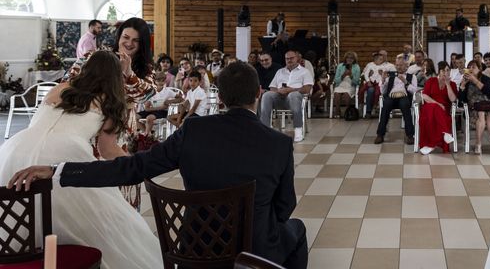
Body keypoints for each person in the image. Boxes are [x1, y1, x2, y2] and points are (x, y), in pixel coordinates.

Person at [9, 62, 308, 269]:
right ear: (258, 94)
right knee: (296, 230)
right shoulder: (278, 144)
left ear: (222, 98)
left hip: (196, 249)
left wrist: (59, 170)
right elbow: (284, 207)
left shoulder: (194, 131)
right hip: (254, 253)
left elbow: (132, 168)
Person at [0, 51, 162, 269]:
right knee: (98, 218)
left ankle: (24, 252)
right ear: (115, 76)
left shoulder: (60, 88)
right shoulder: (111, 100)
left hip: (18, 148)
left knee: (22, 205)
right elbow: (108, 150)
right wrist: (135, 165)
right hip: (65, 153)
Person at [112, 17, 156, 208]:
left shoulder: (146, 69)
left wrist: (128, 71)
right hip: (95, 124)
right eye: (125, 37)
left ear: (142, 44)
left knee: (124, 184)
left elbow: (145, 95)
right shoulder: (100, 57)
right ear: (119, 36)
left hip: (124, 127)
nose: (128, 43)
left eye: (135, 40)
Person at [260, 50, 313, 142]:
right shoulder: (280, 71)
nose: (289, 60)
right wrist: (279, 91)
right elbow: (272, 87)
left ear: (297, 58)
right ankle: (265, 129)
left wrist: (291, 90)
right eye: (287, 59)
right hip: (280, 98)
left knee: (294, 95)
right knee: (267, 95)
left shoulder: (304, 72)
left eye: (291, 58)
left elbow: (307, 89)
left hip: (296, 99)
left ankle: (297, 130)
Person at [459, 61, 490, 155]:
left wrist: (475, 81)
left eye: (473, 67)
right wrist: (462, 85)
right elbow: (461, 99)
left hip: (488, 105)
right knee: (481, 114)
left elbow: (489, 92)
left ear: (479, 69)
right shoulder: (466, 80)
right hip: (474, 107)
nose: (470, 69)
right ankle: (478, 144)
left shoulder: (485, 78)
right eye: (469, 67)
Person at [418, 61, 457, 154]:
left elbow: (452, 99)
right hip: (429, 107)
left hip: (444, 111)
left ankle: (431, 145)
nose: (445, 72)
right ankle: (446, 133)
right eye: (443, 70)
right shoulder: (431, 81)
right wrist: (438, 104)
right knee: (434, 107)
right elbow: (425, 96)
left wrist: (447, 84)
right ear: (439, 71)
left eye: (447, 70)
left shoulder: (452, 84)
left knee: (435, 113)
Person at [374, 59, 417, 145]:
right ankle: (380, 134)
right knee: (386, 104)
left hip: (404, 96)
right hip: (391, 96)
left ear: (406, 66)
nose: (398, 67)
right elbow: (383, 91)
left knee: (405, 105)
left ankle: (410, 135)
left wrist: (405, 82)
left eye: (401, 65)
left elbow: (414, 90)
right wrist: (383, 79)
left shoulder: (412, 77)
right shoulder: (390, 76)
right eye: (397, 65)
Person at [332, 52, 361, 118]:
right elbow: (335, 80)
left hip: (350, 85)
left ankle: (347, 111)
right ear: (345, 59)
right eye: (348, 58)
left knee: (346, 94)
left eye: (351, 58)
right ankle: (337, 110)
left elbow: (357, 82)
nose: (349, 59)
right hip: (340, 84)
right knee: (336, 93)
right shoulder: (340, 66)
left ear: (354, 59)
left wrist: (351, 76)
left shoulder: (356, 67)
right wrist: (343, 75)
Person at [359, 53, 385, 117]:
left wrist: (382, 74)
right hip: (370, 81)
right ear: (375, 60)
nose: (382, 61)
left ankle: (374, 105)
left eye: (382, 59)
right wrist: (368, 81)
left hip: (378, 83)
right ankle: (361, 103)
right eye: (380, 59)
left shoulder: (383, 66)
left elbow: (384, 76)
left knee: (377, 93)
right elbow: (365, 74)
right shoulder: (370, 65)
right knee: (362, 90)